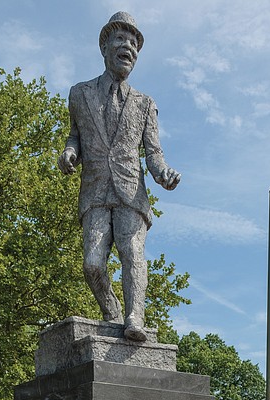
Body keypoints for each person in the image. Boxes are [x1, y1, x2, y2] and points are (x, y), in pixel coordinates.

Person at [58, 12, 180, 343]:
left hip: (131, 191)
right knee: (92, 264)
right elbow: (75, 136)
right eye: (121, 40)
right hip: (95, 189)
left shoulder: (144, 103)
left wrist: (163, 174)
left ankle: (133, 317)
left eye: (134, 43)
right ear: (105, 47)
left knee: (132, 253)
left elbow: (154, 152)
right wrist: (69, 153)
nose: (128, 47)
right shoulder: (79, 94)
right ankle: (112, 309)